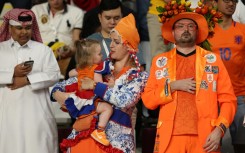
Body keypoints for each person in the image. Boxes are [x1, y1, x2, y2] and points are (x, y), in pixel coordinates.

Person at [51, 13, 148, 153]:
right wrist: (57, 93)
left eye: (116, 42)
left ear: (129, 46)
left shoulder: (138, 76)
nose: (111, 45)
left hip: (114, 142)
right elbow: (73, 81)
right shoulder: (101, 67)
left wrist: (95, 86)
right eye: (111, 41)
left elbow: (124, 100)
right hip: (83, 136)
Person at [142, 12, 237, 153]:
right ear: (173, 32)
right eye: (180, 26)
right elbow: (148, 100)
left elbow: (228, 100)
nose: (186, 29)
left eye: (190, 26)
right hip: (170, 139)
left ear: (197, 31)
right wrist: (172, 86)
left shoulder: (213, 60)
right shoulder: (160, 62)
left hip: (206, 139)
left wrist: (219, 130)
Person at [0, 9, 60, 153]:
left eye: (28, 28)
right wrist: (12, 73)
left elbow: (54, 74)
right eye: (19, 28)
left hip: (37, 116)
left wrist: (27, 80)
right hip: (7, 115)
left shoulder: (43, 50)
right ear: (9, 27)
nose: (24, 32)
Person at [57, 39, 113, 146]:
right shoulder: (97, 69)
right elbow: (98, 85)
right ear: (91, 58)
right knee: (108, 108)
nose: (102, 55)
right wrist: (110, 84)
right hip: (90, 99)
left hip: (79, 99)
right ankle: (100, 131)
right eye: (99, 53)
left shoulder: (80, 68)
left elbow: (70, 73)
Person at [208, 0, 245, 152]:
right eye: (226, 0)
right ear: (215, 2)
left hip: (240, 96)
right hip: (212, 97)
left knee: (242, 145)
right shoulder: (205, 30)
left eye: (234, 1)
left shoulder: (243, 30)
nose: (231, 4)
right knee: (212, 145)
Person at [31, 0, 84, 76]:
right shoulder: (36, 10)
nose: (55, 1)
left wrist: (71, 51)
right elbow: (29, 35)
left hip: (65, 55)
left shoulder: (77, 12)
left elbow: (76, 38)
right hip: (41, 54)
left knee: (74, 68)